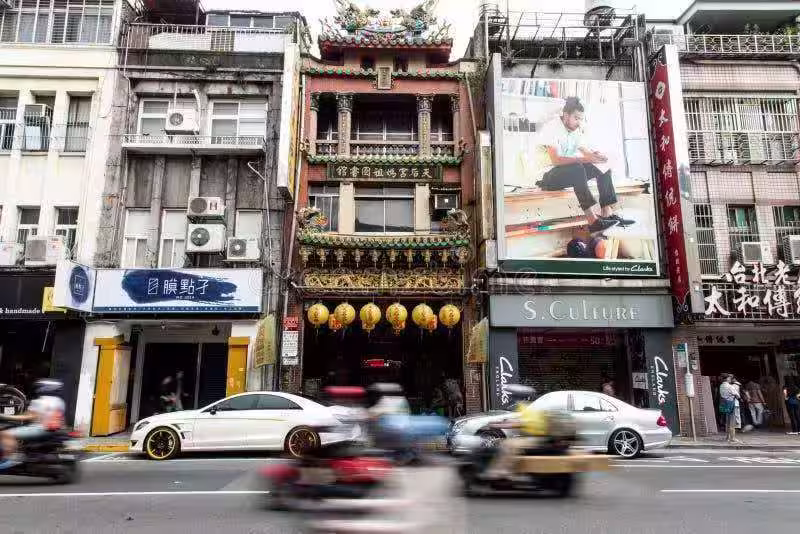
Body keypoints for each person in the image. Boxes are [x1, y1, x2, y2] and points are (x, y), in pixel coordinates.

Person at [536, 97, 635, 233]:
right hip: (549, 177)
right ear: (566, 115)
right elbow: (556, 160)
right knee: (577, 168)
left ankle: (607, 213)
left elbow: (585, 152)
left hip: (569, 172)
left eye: (581, 119)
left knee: (602, 166)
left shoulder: (575, 130)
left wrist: (595, 156)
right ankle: (593, 221)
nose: (579, 122)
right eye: (576, 118)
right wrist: (586, 159)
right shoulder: (552, 127)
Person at [0, 379, 65, 468]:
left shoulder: (40, 401)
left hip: (40, 429)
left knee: (5, 434)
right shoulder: (59, 401)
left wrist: (5, 417)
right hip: (53, 430)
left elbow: (29, 416)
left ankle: (8, 460)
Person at [719, 374, 741, 443]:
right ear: (727, 378)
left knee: (727, 421)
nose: (730, 379)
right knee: (732, 422)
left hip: (725, 404)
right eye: (729, 378)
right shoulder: (729, 386)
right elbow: (738, 396)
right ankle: (732, 438)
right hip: (731, 404)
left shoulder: (721, 386)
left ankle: (727, 437)